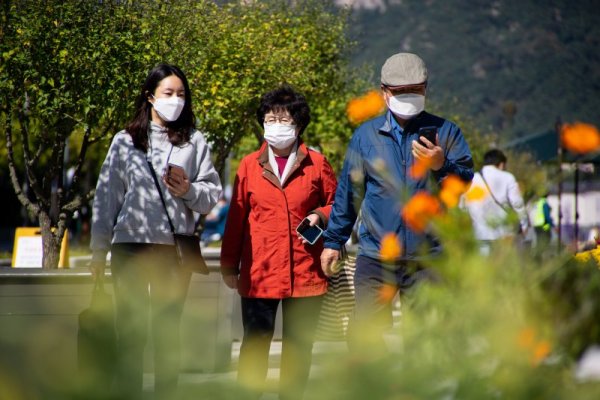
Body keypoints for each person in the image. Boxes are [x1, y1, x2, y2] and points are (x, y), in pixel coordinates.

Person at [320, 52, 474, 354]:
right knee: (364, 342)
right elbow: (349, 194)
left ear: (426, 88)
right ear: (384, 91)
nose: (408, 96)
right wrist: (332, 240)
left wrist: (441, 164)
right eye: (400, 91)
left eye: (414, 90)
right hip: (376, 256)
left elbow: (463, 184)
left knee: (430, 342)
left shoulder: (447, 132)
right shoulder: (365, 136)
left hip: (428, 258)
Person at [90, 63, 222, 400]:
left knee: (167, 332)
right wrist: (97, 250)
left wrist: (188, 190)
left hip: (172, 251)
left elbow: (210, 197)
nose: (175, 100)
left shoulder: (194, 140)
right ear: (150, 96)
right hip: (129, 246)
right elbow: (107, 198)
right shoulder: (125, 141)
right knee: (130, 332)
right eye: (168, 93)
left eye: (181, 94)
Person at [220, 85, 337, 400]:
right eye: (269, 119)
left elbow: (338, 205)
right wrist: (229, 263)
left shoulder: (317, 163)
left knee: (299, 348)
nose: (275, 126)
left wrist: (320, 215)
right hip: (261, 271)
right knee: (255, 344)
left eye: (283, 120)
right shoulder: (248, 165)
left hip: (306, 270)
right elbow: (236, 219)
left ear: (298, 125)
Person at [462, 149, 530, 255]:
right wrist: (524, 225)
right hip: (505, 233)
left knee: (486, 269)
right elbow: (518, 205)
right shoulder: (508, 177)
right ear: (501, 164)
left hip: (481, 233)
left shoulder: (472, 179)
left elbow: (462, 206)